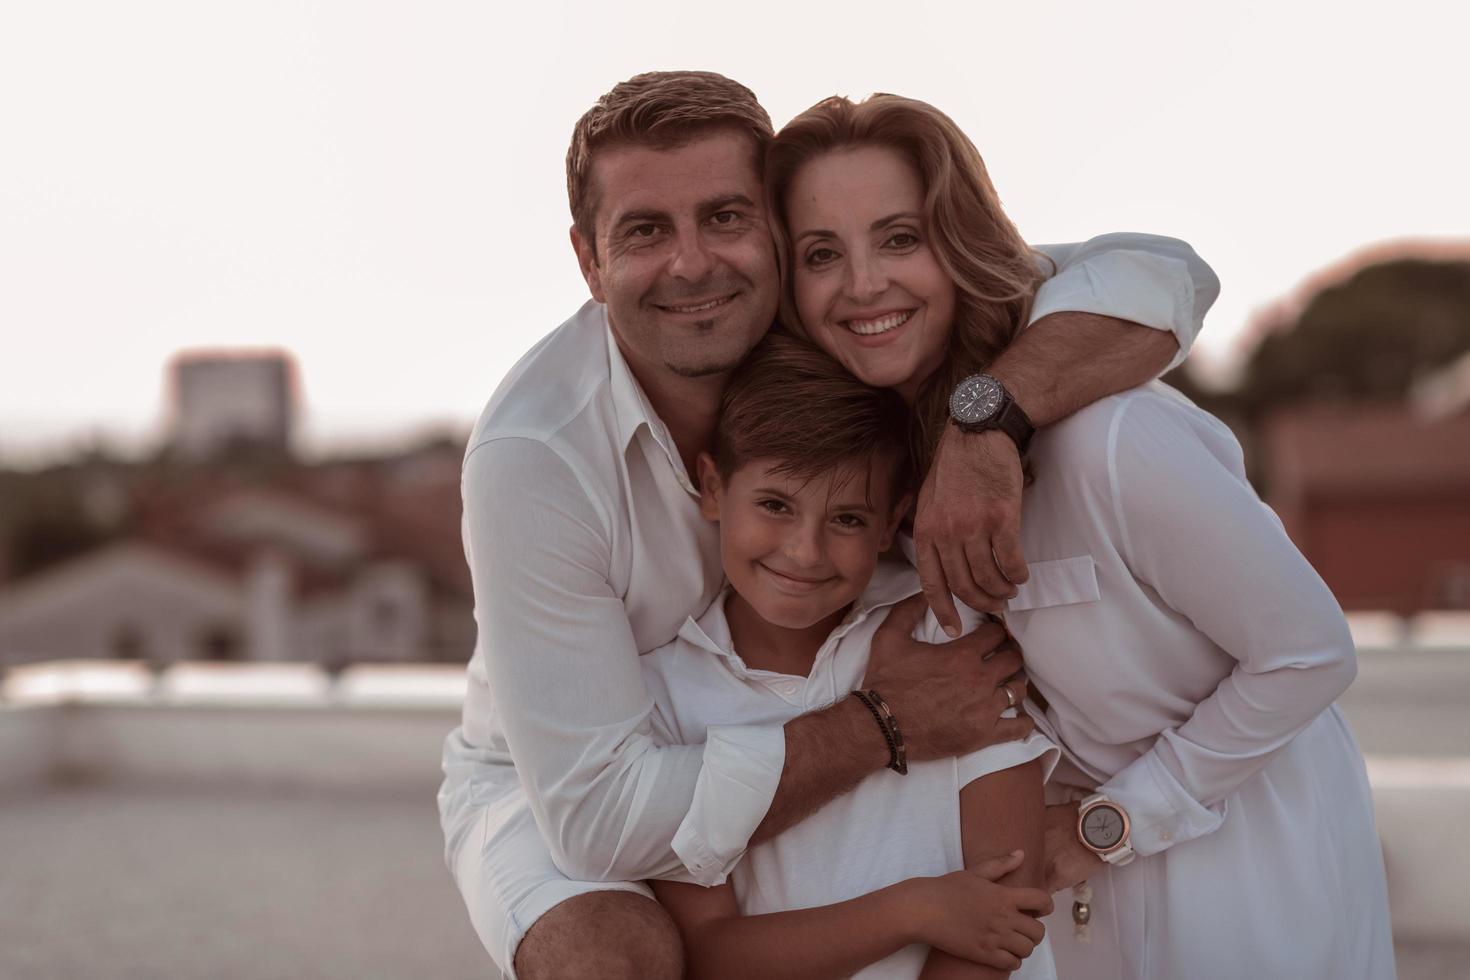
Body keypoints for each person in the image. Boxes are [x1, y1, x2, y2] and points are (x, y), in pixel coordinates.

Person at [438, 70, 1220, 980]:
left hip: (808, 692)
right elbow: (601, 820)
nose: (693, 264)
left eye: (725, 217)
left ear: (771, 226)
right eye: (646, 231)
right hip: (569, 776)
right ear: (589, 260)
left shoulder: (837, 310)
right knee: (617, 962)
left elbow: (1165, 275)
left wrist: (986, 421)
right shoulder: (533, 456)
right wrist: (882, 723)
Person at [764, 92, 1394, 979]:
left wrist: (1115, 825)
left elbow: (1310, 654)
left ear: (958, 245)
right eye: (822, 254)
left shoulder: (1114, 444)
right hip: (1068, 907)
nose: (863, 284)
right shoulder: (868, 487)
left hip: (1250, 871)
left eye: (900, 238)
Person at [644, 332, 1059, 980]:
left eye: (847, 519)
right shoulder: (662, 690)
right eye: (776, 505)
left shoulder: (947, 637)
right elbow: (712, 952)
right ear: (712, 486)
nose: (805, 552)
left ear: (894, 515)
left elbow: (1010, 904)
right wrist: (913, 909)